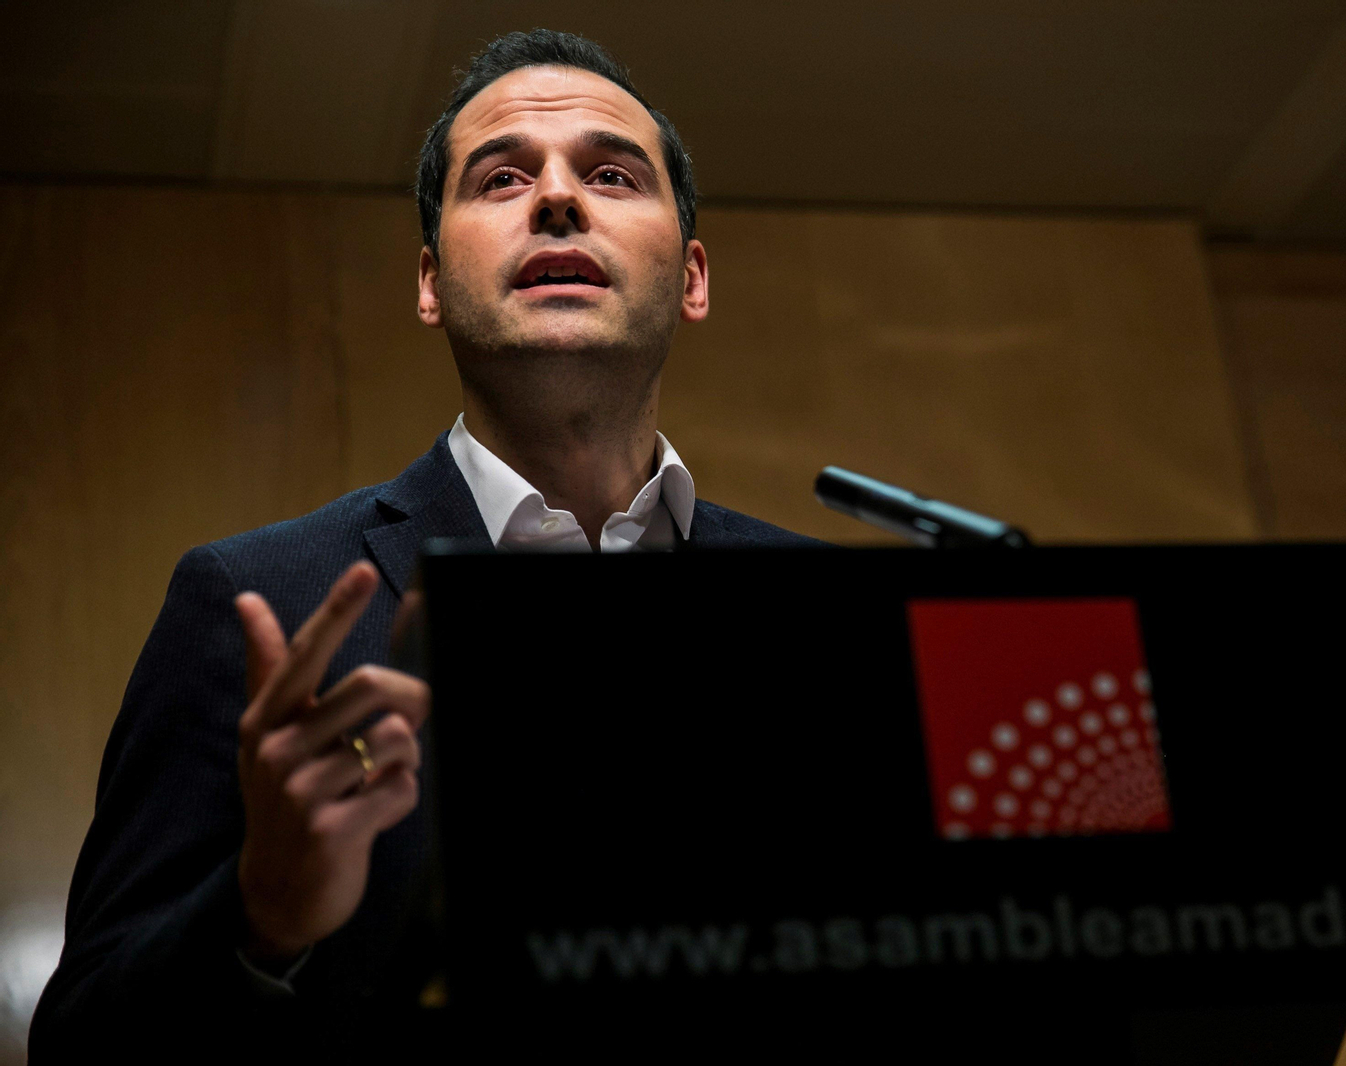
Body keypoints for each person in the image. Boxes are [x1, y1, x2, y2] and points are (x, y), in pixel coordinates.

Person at [31, 28, 821, 1059]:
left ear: (692, 278)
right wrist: (258, 917)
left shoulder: (821, 608)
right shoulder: (255, 600)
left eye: (612, 174)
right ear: (430, 283)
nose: (556, 198)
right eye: (499, 179)